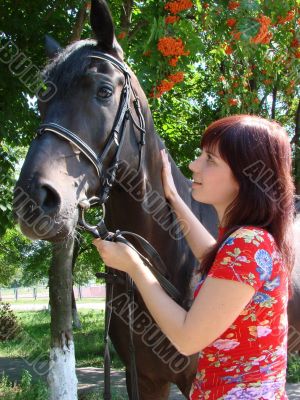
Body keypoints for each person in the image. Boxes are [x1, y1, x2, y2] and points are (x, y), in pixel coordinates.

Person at [93, 114, 295, 399]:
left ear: (246, 176)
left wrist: (133, 265)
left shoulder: (247, 245)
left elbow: (188, 339)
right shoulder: (249, 240)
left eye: (210, 160)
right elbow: (213, 257)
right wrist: (174, 199)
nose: (193, 165)